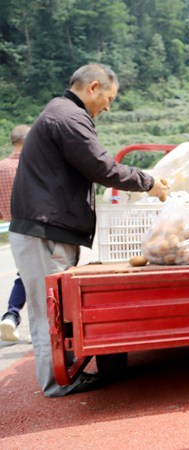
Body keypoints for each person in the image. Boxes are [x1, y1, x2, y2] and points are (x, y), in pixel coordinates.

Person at [9, 63, 170, 397]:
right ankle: (57, 384)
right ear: (93, 87)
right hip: (44, 230)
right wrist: (149, 182)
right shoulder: (69, 117)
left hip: (48, 227)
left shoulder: (60, 113)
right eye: (108, 98)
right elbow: (100, 166)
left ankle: (63, 373)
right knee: (48, 314)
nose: (108, 107)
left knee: (55, 310)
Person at [0, 125, 30, 342]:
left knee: (24, 273)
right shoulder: (34, 165)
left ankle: (11, 315)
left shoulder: (1, 168)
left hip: (13, 229)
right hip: (38, 227)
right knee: (42, 277)